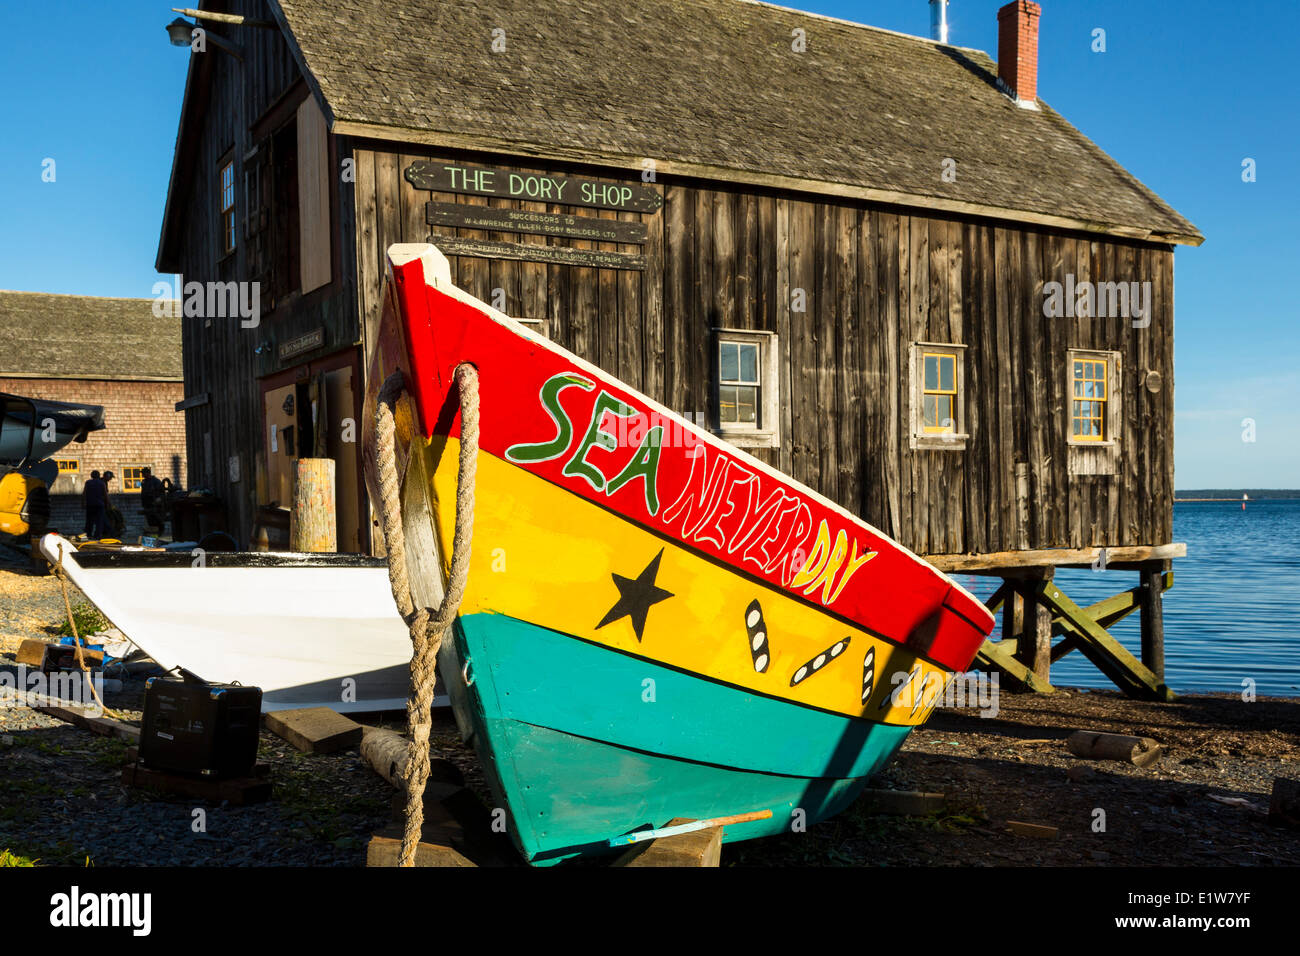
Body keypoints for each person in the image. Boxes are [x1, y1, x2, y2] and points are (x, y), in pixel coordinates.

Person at [140, 467, 165, 533]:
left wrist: (158, 501)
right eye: (142, 473)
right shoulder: (144, 482)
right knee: (150, 522)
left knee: (157, 521)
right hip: (147, 505)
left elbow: (162, 493)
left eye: (143, 473)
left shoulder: (156, 481)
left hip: (155, 505)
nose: (142, 475)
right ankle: (153, 534)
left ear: (148, 473)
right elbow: (143, 493)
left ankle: (159, 533)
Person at [83, 470, 106, 539]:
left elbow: (84, 493)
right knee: (99, 520)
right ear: (99, 476)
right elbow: (105, 494)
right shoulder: (102, 483)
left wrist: (83, 502)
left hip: (90, 504)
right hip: (99, 504)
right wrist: (108, 503)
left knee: (89, 520)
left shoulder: (88, 483)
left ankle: (89, 534)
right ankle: (97, 535)